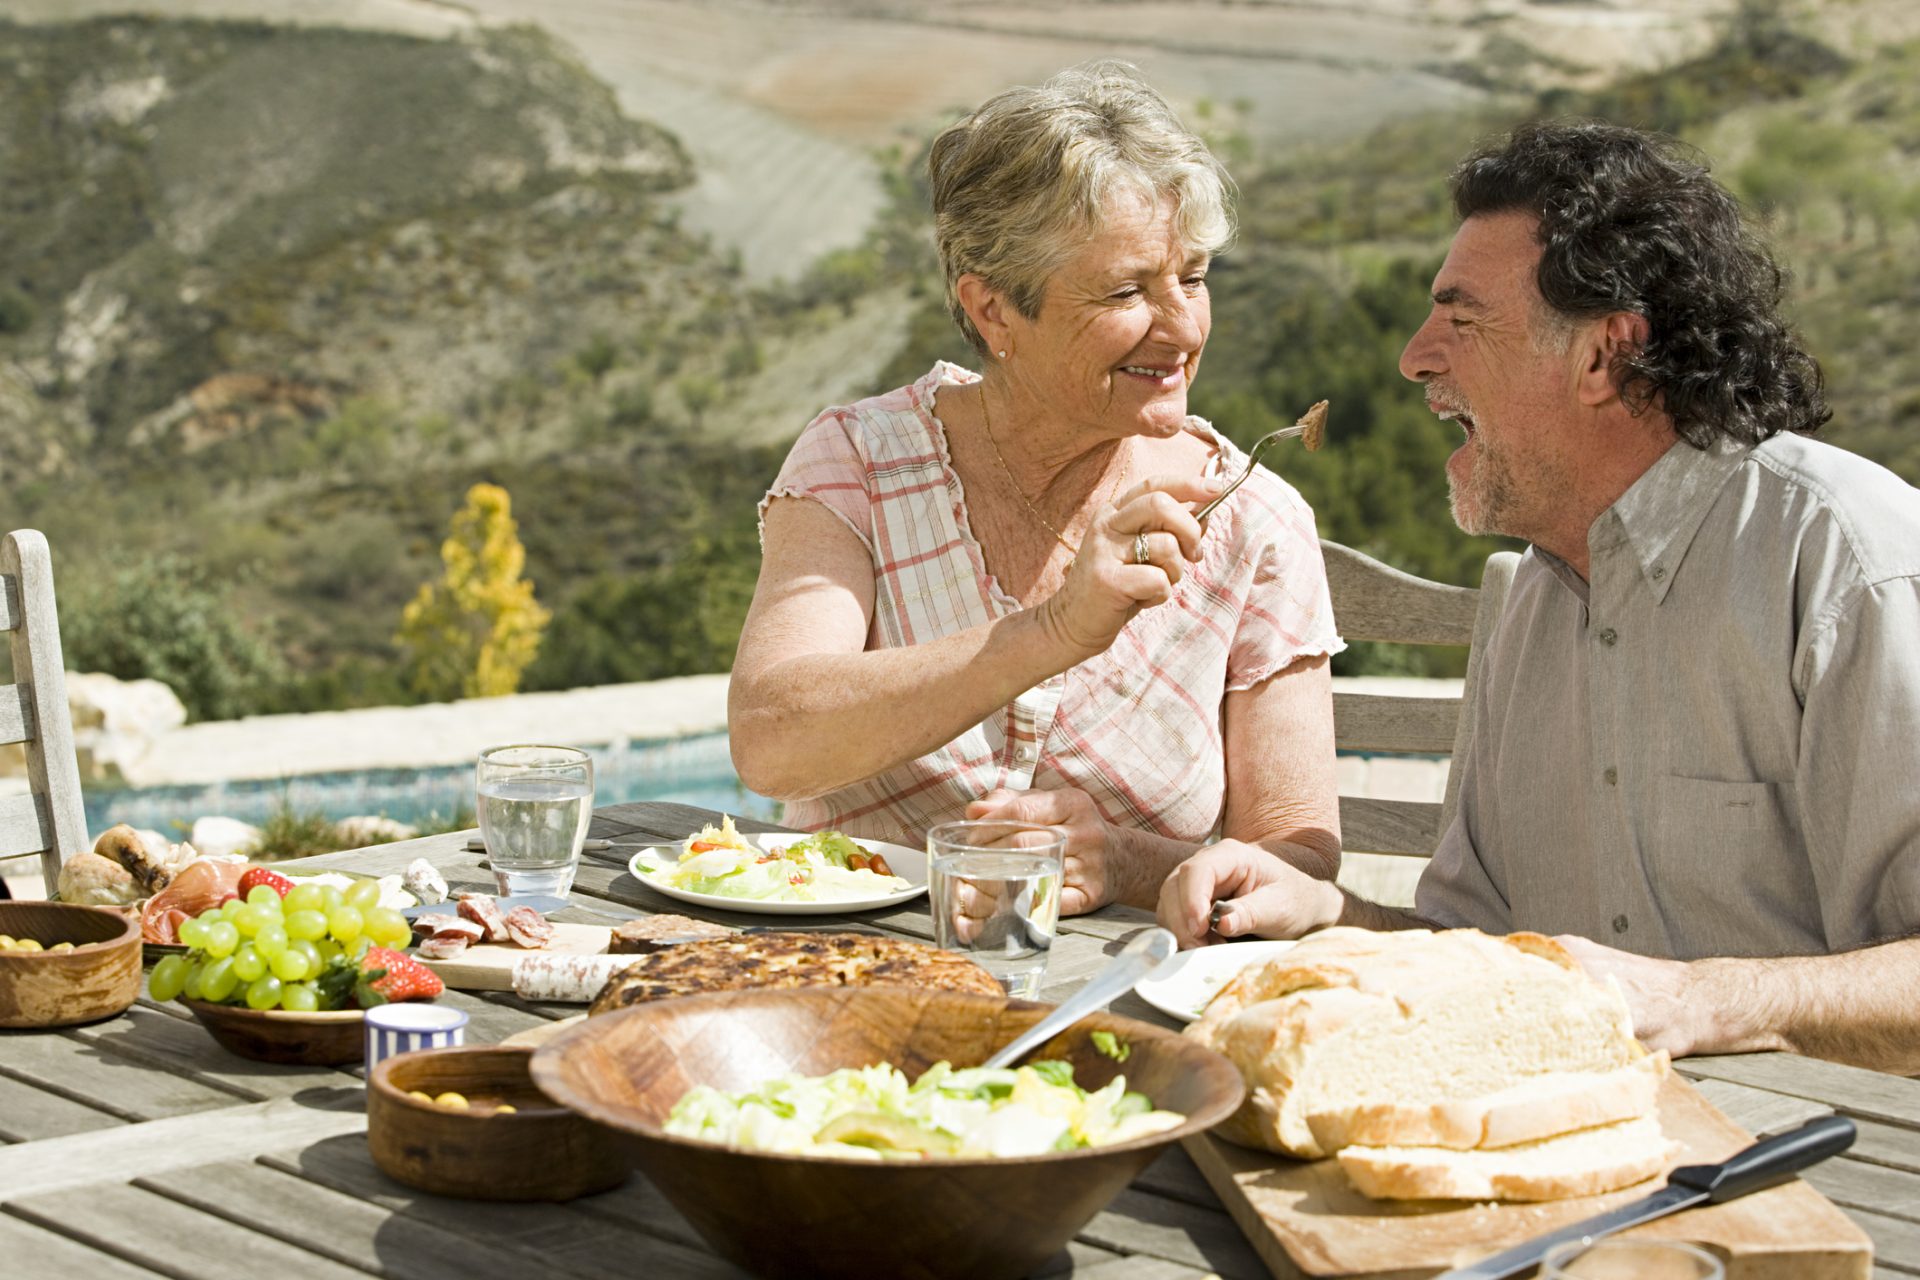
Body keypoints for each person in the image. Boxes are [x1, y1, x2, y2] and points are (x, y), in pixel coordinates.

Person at [1159, 119, 1920, 1073]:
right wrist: (1323, 914)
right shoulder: (1533, 592)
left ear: (1604, 355)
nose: (1415, 358)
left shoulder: (1849, 561)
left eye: (1462, 319)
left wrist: (1699, 998)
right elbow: (1480, 952)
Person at [728, 62, 1343, 915]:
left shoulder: (1254, 520)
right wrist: (1053, 630)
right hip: (845, 978)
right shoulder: (862, 460)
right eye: (1128, 290)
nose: (1184, 327)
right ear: (993, 313)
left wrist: (1124, 862)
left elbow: (1302, 866)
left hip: (1116, 1004)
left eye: (1194, 277)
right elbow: (771, 741)